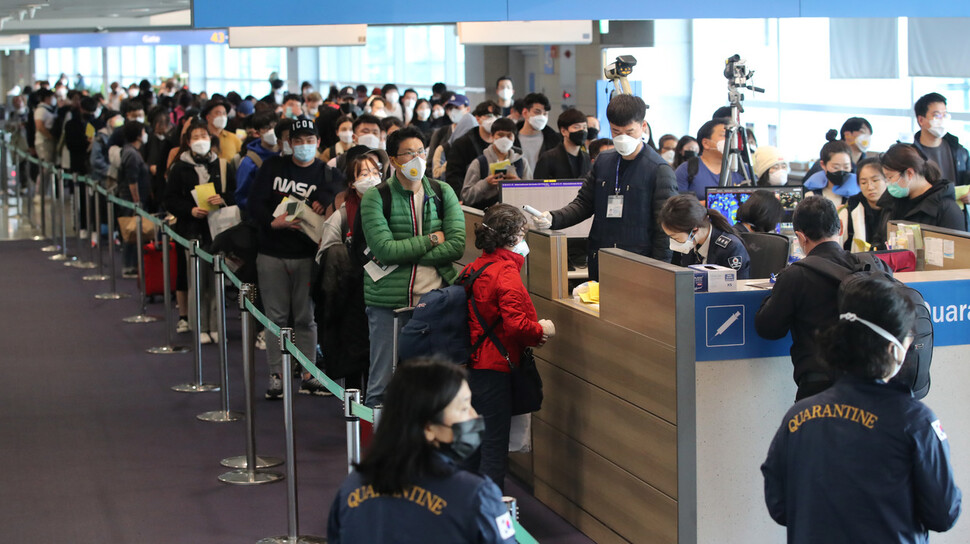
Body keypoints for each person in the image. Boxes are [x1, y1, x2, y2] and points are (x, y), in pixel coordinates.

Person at [762, 276, 961, 543]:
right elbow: (944, 513)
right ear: (894, 349)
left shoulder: (799, 417)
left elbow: (780, 506)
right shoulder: (915, 422)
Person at [327, 357, 516, 544]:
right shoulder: (475, 494)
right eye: (464, 407)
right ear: (428, 428)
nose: (474, 415)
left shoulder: (352, 487)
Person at [360, 127, 466, 407]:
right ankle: (379, 447)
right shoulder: (376, 196)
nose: (417, 158)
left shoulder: (443, 192)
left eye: (421, 152)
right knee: (382, 384)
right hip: (388, 303)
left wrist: (405, 252)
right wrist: (431, 239)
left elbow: (456, 245)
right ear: (394, 160)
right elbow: (383, 249)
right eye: (409, 153)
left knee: (433, 385)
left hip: (434, 301)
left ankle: (425, 447)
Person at [755, 196, 891, 400]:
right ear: (841, 227)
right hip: (874, 382)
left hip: (820, 388)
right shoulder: (874, 265)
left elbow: (768, 329)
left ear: (800, 237)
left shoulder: (795, 275)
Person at [248, 118, 345, 399]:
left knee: (306, 317)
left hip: (306, 255)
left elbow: (338, 202)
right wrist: (271, 222)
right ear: (289, 143)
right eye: (298, 140)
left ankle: (308, 374)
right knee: (274, 317)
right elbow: (254, 204)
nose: (304, 146)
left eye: (309, 140)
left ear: (318, 143)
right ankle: (276, 374)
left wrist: (325, 201)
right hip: (272, 252)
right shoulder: (273, 167)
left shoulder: (326, 174)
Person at [531, 95, 678, 280]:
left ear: (643, 127)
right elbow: (584, 203)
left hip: (639, 264)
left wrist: (660, 272)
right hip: (601, 257)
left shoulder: (659, 170)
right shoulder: (604, 161)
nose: (623, 138)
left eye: (630, 131)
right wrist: (553, 218)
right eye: (616, 132)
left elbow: (665, 230)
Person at [462, 204, 555, 490]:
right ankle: (490, 518)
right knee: (493, 445)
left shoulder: (476, 266)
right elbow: (516, 326)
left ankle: (468, 508)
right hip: (496, 368)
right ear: (512, 237)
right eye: (523, 234)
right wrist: (542, 330)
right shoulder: (506, 273)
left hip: (475, 363)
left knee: (475, 442)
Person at [163, 120, 237, 344]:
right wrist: (190, 210)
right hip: (191, 231)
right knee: (197, 281)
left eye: (203, 136)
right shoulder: (179, 168)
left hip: (218, 231)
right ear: (187, 142)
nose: (200, 141)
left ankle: (216, 325)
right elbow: (170, 199)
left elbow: (235, 193)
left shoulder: (222, 165)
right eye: (195, 137)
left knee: (217, 282)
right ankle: (201, 325)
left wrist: (223, 199)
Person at [660, 194, 751, 278]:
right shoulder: (690, 246)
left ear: (694, 230)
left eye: (675, 237)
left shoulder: (730, 248)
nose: (673, 241)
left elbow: (736, 288)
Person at [880, 143, 966, 231]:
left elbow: (957, 244)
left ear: (909, 173)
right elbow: (880, 237)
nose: (888, 183)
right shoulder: (893, 202)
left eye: (890, 177)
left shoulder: (946, 209)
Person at [461, 117, 532, 209]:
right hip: (484, 215)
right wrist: (486, 183)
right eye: (500, 135)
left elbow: (531, 194)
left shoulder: (522, 163)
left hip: (515, 215)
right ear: (492, 136)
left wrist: (517, 184)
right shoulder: (480, 163)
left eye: (509, 135)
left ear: (514, 138)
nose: (504, 139)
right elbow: (466, 197)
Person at [802, 140, 859, 245]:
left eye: (846, 167)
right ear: (823, 164)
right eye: (836, 167)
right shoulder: (811, 196)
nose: (841, 171)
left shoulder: (858, 196)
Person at [913, 92, 970, 193]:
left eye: (945, 115)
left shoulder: (959, 150)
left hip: (956, 207)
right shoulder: (911, 153)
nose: (942, 119)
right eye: (937, 115)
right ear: (921, 120)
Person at [675, 118, 743, 200]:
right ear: (706, 143)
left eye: (732, 136)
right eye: (725, 135)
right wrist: (710, 204)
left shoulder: (742, 169)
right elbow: (678, 204)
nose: (730, 140)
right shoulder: (686, 169)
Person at [118, 120, 152, 277]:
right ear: (138, 135)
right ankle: (128, 266)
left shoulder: (131, 151)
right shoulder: (131, 154)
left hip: (132, 199)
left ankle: (132, 264)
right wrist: (136, 201)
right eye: (143, 132)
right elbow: (132, 180)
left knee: (133, 232)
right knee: (131, 232)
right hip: (131, 200)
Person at [445, 100, 500, 195]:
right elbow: (453, 175)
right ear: (478, 119)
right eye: (489, 116)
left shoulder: (504, 142)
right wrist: (459, 197)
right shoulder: (463, 143)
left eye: (497, 116)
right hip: (470, 198)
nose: (493, 120)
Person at [234, 111, 279, 214]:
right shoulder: (249, 162)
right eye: (267, 128)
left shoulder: (286, 153)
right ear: (258, 133)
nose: (272, 131)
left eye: (274, 126)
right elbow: (241, 197)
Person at [803, 117, 874, 181]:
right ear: (847, 135)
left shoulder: (866, 164)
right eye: (862, 132)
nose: (867, 138)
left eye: (869, 134)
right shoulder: (829, 159)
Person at [533, 108, 591, 181]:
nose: (582, 131)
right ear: (563, 131)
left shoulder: (587, 159)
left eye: (585, 127)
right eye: (576, 127)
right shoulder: (548, 158)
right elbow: (538, 187)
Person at [846, 157, 890, 251]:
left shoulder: (896, 206)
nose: (870, 187)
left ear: (887, 179)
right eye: (863, 182)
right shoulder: (853, 207)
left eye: (875, 180)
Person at [516, 93, 561, 170]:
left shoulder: (554, 140)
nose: (542, 117)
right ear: (525, 113)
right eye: (537, 112)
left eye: (545, 114)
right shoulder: (512, 138)